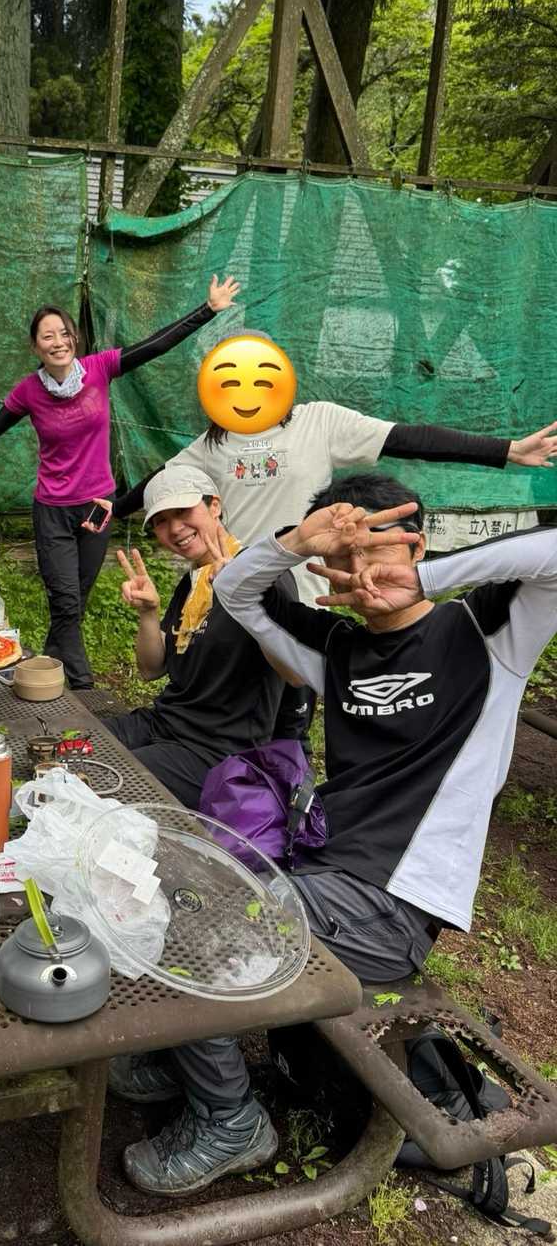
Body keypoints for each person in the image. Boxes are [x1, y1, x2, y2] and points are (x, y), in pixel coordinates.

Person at [114, 472, 557, 1198]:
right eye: (342, 557)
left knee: (191, 924)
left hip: (391, 906)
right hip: (317, 870)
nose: (363, 572)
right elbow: (237, 590)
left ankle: (230, 1122)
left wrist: (423, 577)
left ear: (417, 544)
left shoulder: (487, 635)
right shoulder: (335, 649)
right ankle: (184, 1047)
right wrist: (296, 541)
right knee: (163, 875)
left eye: (377, 550)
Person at [113, 347, 557, 735]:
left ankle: (285, 791)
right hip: (239, 594)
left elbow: (406, 438)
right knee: (230, 718)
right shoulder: (212, 445)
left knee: (288, 726)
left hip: (304, 599)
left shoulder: (319, 421)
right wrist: (111, 509)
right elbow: (161, 479)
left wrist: (506, 450)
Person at [0, 275, 241, 689]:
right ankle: (81, 683)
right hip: (52, 508)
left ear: (73, 338)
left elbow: (155, 345)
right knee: (65, 600)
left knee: (75, 600)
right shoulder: (29, 391)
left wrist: (208, 309)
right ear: (35, 347)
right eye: (47, 336)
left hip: (97, 506)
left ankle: (45, 670)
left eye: (64, 333)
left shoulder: (99, 368)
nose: (58, 342)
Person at [100, 465, 293, 807]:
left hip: (219, 752)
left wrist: (246, 601)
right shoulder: (192, 582)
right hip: (164, 724)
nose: (175, 529)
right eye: (161, 521)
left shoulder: (261, 574)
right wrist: (149, 613)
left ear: (214, 506)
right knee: (81, 745)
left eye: (183, 512)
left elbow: (293, 668)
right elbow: (151, 670)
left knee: (105, 779)